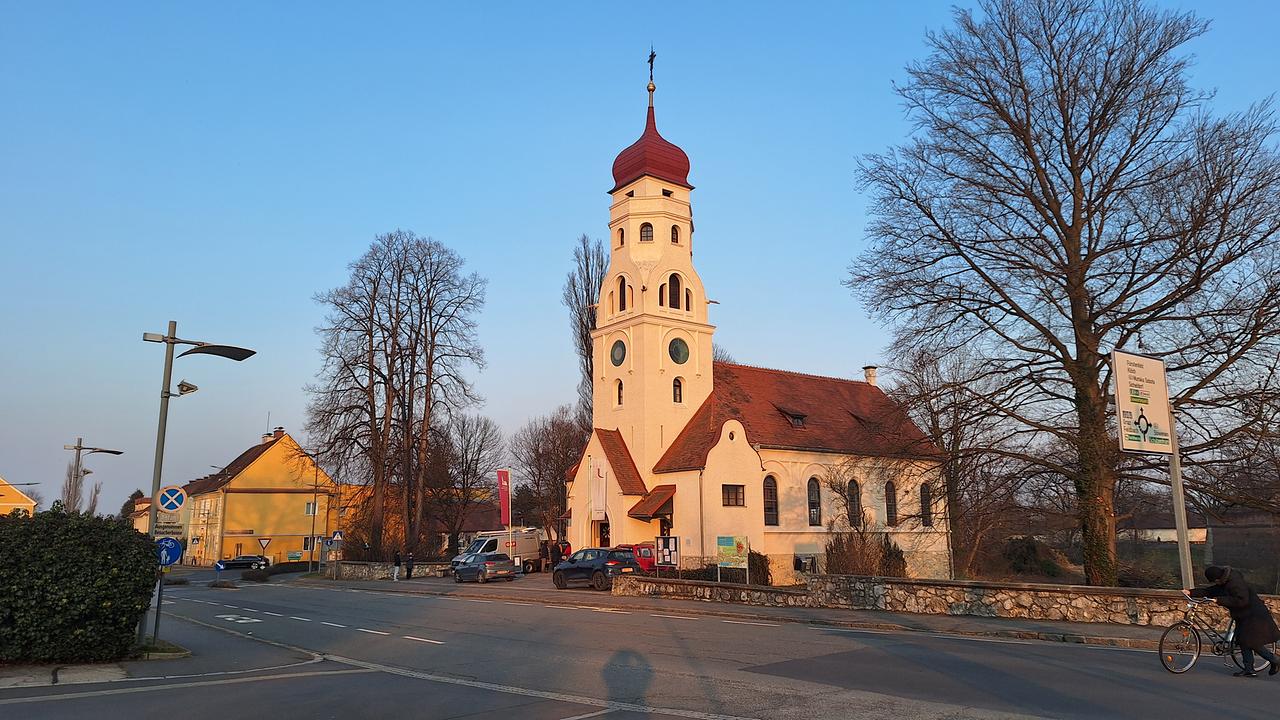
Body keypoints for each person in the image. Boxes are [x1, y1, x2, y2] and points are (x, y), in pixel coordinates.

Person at [1185, 565, 1280, 677]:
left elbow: (1242, 600)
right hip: (1243, 615)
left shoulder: (1235, 582)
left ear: (1218, 578)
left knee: (1252, 642)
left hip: (1254, 615)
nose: (1215, 583)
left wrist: (1219, 600)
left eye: (1215, 581)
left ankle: (1275, 660)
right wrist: (1190, 592)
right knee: (1242, 641)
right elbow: (1209, 591)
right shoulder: (1224, 582)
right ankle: (1249, 669)